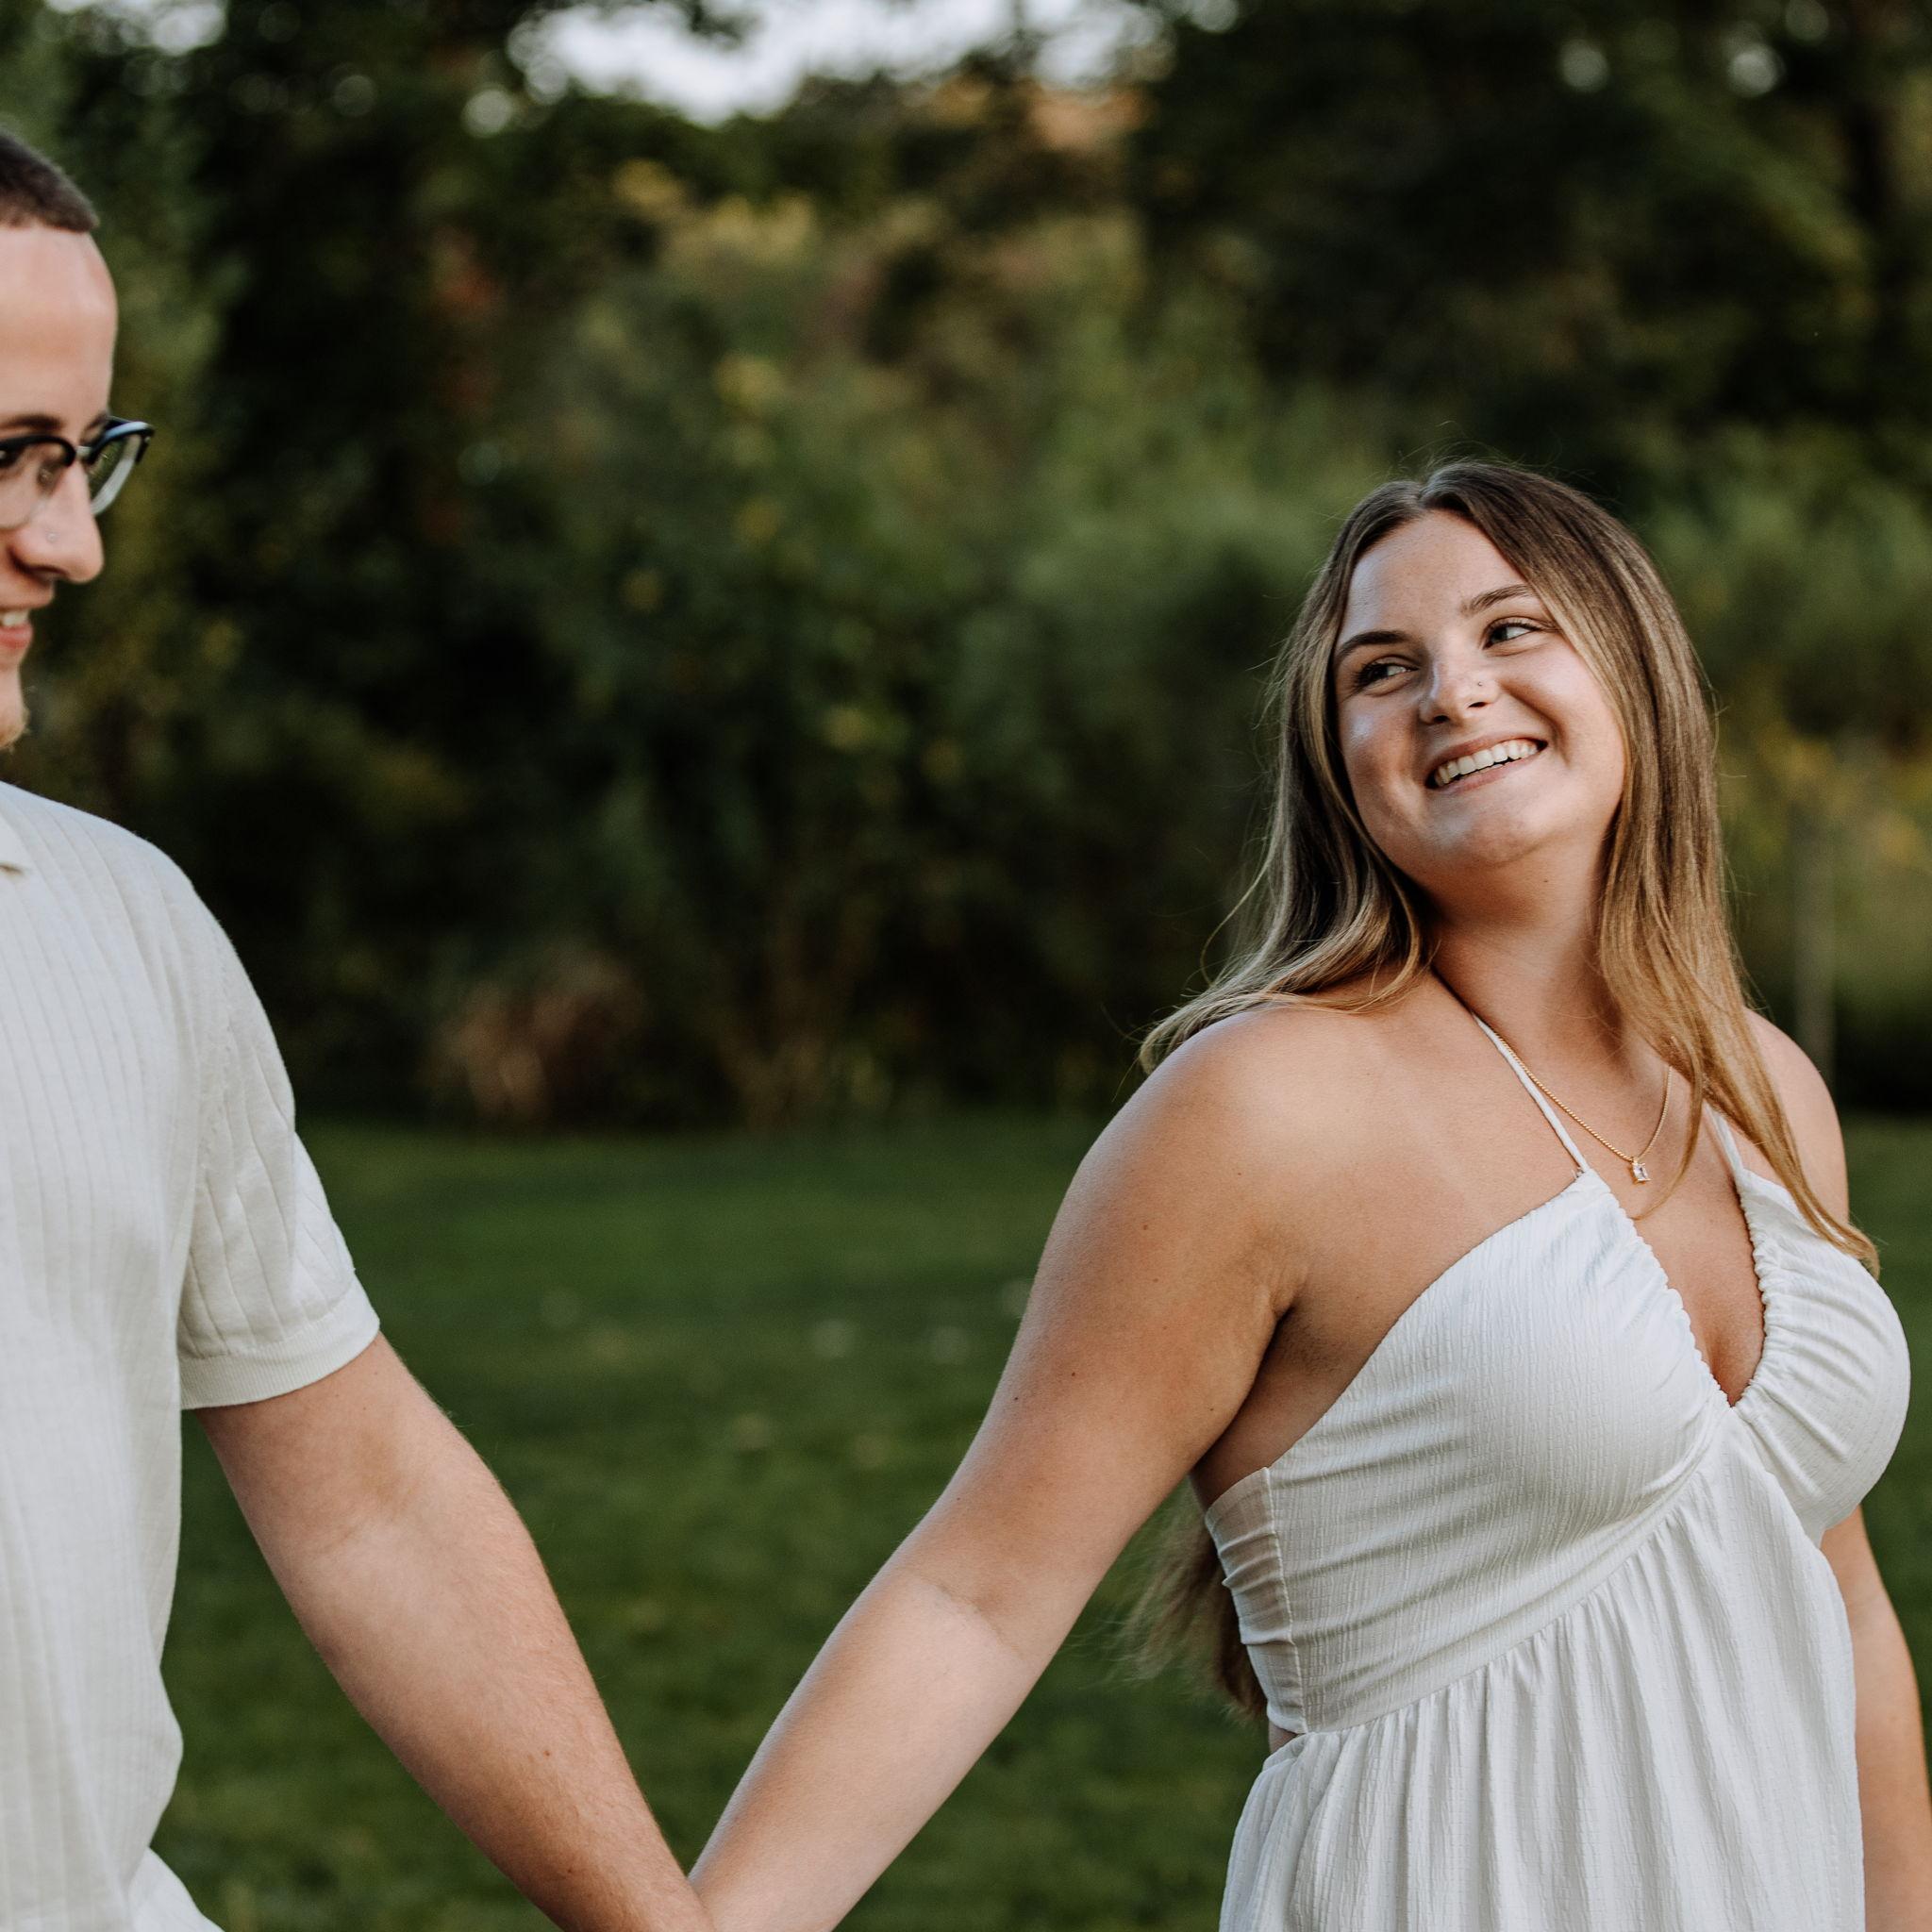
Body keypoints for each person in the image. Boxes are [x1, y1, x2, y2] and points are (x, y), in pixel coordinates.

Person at [691, 460, 1930, 1929]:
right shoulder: (1262, 1109)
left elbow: (1837, 1599)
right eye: (1381, 669)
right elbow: (977, 1595)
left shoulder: (1764, 1089)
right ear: (1337, 763)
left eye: (1510, 629)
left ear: (1635, 669)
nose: (1452, 693)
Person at [0, 132, 708, 1932]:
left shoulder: (125, 927)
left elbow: (369, 1497)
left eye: (83, 457)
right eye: (7, 455)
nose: (71, 543)